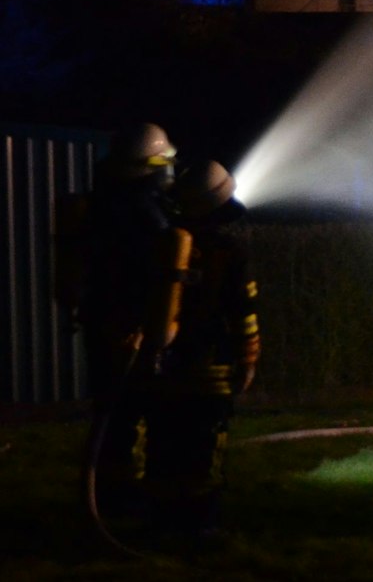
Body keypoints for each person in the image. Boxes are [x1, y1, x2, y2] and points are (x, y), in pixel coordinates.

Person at [52, 122, 181, 517]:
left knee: (112, 409)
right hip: (133, 327)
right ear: (150, 166)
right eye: (163, 162)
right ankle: (128, 499)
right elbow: (147, 273)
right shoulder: (143, 212)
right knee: (135, 412)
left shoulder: (102, 203)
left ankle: (111, 492)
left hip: (102, 323)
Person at [145, 159, 260, 539]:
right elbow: (243, 310)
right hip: (211, 366)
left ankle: (161, 519)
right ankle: (201, 525)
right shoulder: (230, 251)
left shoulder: (165, 243)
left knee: (165, 441)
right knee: (205, 443)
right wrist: (249, 356)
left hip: (167, 364)